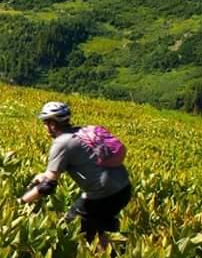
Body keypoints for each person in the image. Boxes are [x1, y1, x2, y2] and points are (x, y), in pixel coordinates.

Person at [19, 101, 131, 247]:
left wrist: (22, 201)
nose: (45, 126)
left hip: (103, 194)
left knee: (73, 226)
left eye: (45, 122)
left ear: (52, 124)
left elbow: (48, 186)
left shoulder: (61, 143)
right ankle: (117, 252)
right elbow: (77, 163)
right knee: (99, 227)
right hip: (123, 189)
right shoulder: (81, 132)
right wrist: (44, 175)